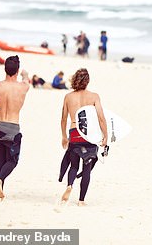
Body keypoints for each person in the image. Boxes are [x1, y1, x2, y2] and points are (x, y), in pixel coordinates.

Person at [0, 55, 30, 201]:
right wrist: (25, 74)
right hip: (13, 128)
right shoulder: (23, 87)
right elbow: (27, 79)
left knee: (1, 160)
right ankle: (0, 180)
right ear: (17, 70)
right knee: (13, 160)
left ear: (5, 69)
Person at [59, 68, 107, 206]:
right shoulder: (94, 96)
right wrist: (105, 135)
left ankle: (69, 185)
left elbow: (63, 119)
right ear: (88, 81)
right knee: (87, 167)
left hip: (74, 133)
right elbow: (101, 117)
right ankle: (81, 200)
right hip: (89, 134)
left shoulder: (68, 97)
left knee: (73, 165)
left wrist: (64, 136)